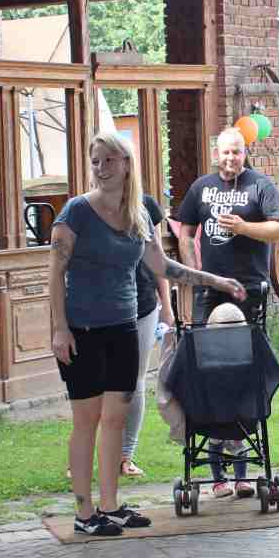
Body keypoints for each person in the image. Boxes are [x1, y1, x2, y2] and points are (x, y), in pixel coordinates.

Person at [51, 131, 246, 537]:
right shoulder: (75, 213)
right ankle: (84, 513)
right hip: (82, 329)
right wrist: (59, 328)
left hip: (124, 326)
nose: (101, 169)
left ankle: (111, 504)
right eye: (96, 162)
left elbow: (164, 268)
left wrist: (218, 280)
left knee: (115, 419)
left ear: (126, 164)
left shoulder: (138, 212)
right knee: (86, 420)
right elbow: (54, 274)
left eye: (109, 160)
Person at [174, 126, 279, 498]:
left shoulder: (259, 186)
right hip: (211, 292)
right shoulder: (201, 188)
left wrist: (244, 227)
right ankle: (216, 474)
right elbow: (184, 230)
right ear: (215, 153)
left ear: (245, 153)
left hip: (249, 291)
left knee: (246, 374)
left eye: (236, 152)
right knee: (210, 375)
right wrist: (195, 272)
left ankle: (244, 473)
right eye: (225, 152)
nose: (230, 158)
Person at [121, 192, 174, 478]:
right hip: (106, 306)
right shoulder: (90, 206)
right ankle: (82, 455)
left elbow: (157, 257)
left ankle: (126, 456)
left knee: (136, 380)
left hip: (143, 302)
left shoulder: (146, 205)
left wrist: (166, 305)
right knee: (101, 385)